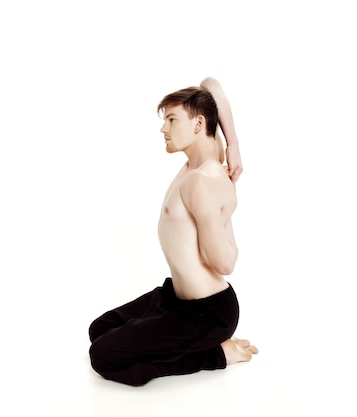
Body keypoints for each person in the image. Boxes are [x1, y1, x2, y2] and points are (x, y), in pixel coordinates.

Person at [88, 77, 257, 386]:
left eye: (171, 119)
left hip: (206, 314)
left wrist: (224, 214)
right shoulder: (210, 154)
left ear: (199, 124)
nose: (163, 129)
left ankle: (217, 354)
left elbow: (225, 264)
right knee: (99, 330)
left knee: (103, 356)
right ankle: (175, 336)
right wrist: (234, 146)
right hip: (174, 298)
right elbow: (211, 85)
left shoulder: (201, 181)